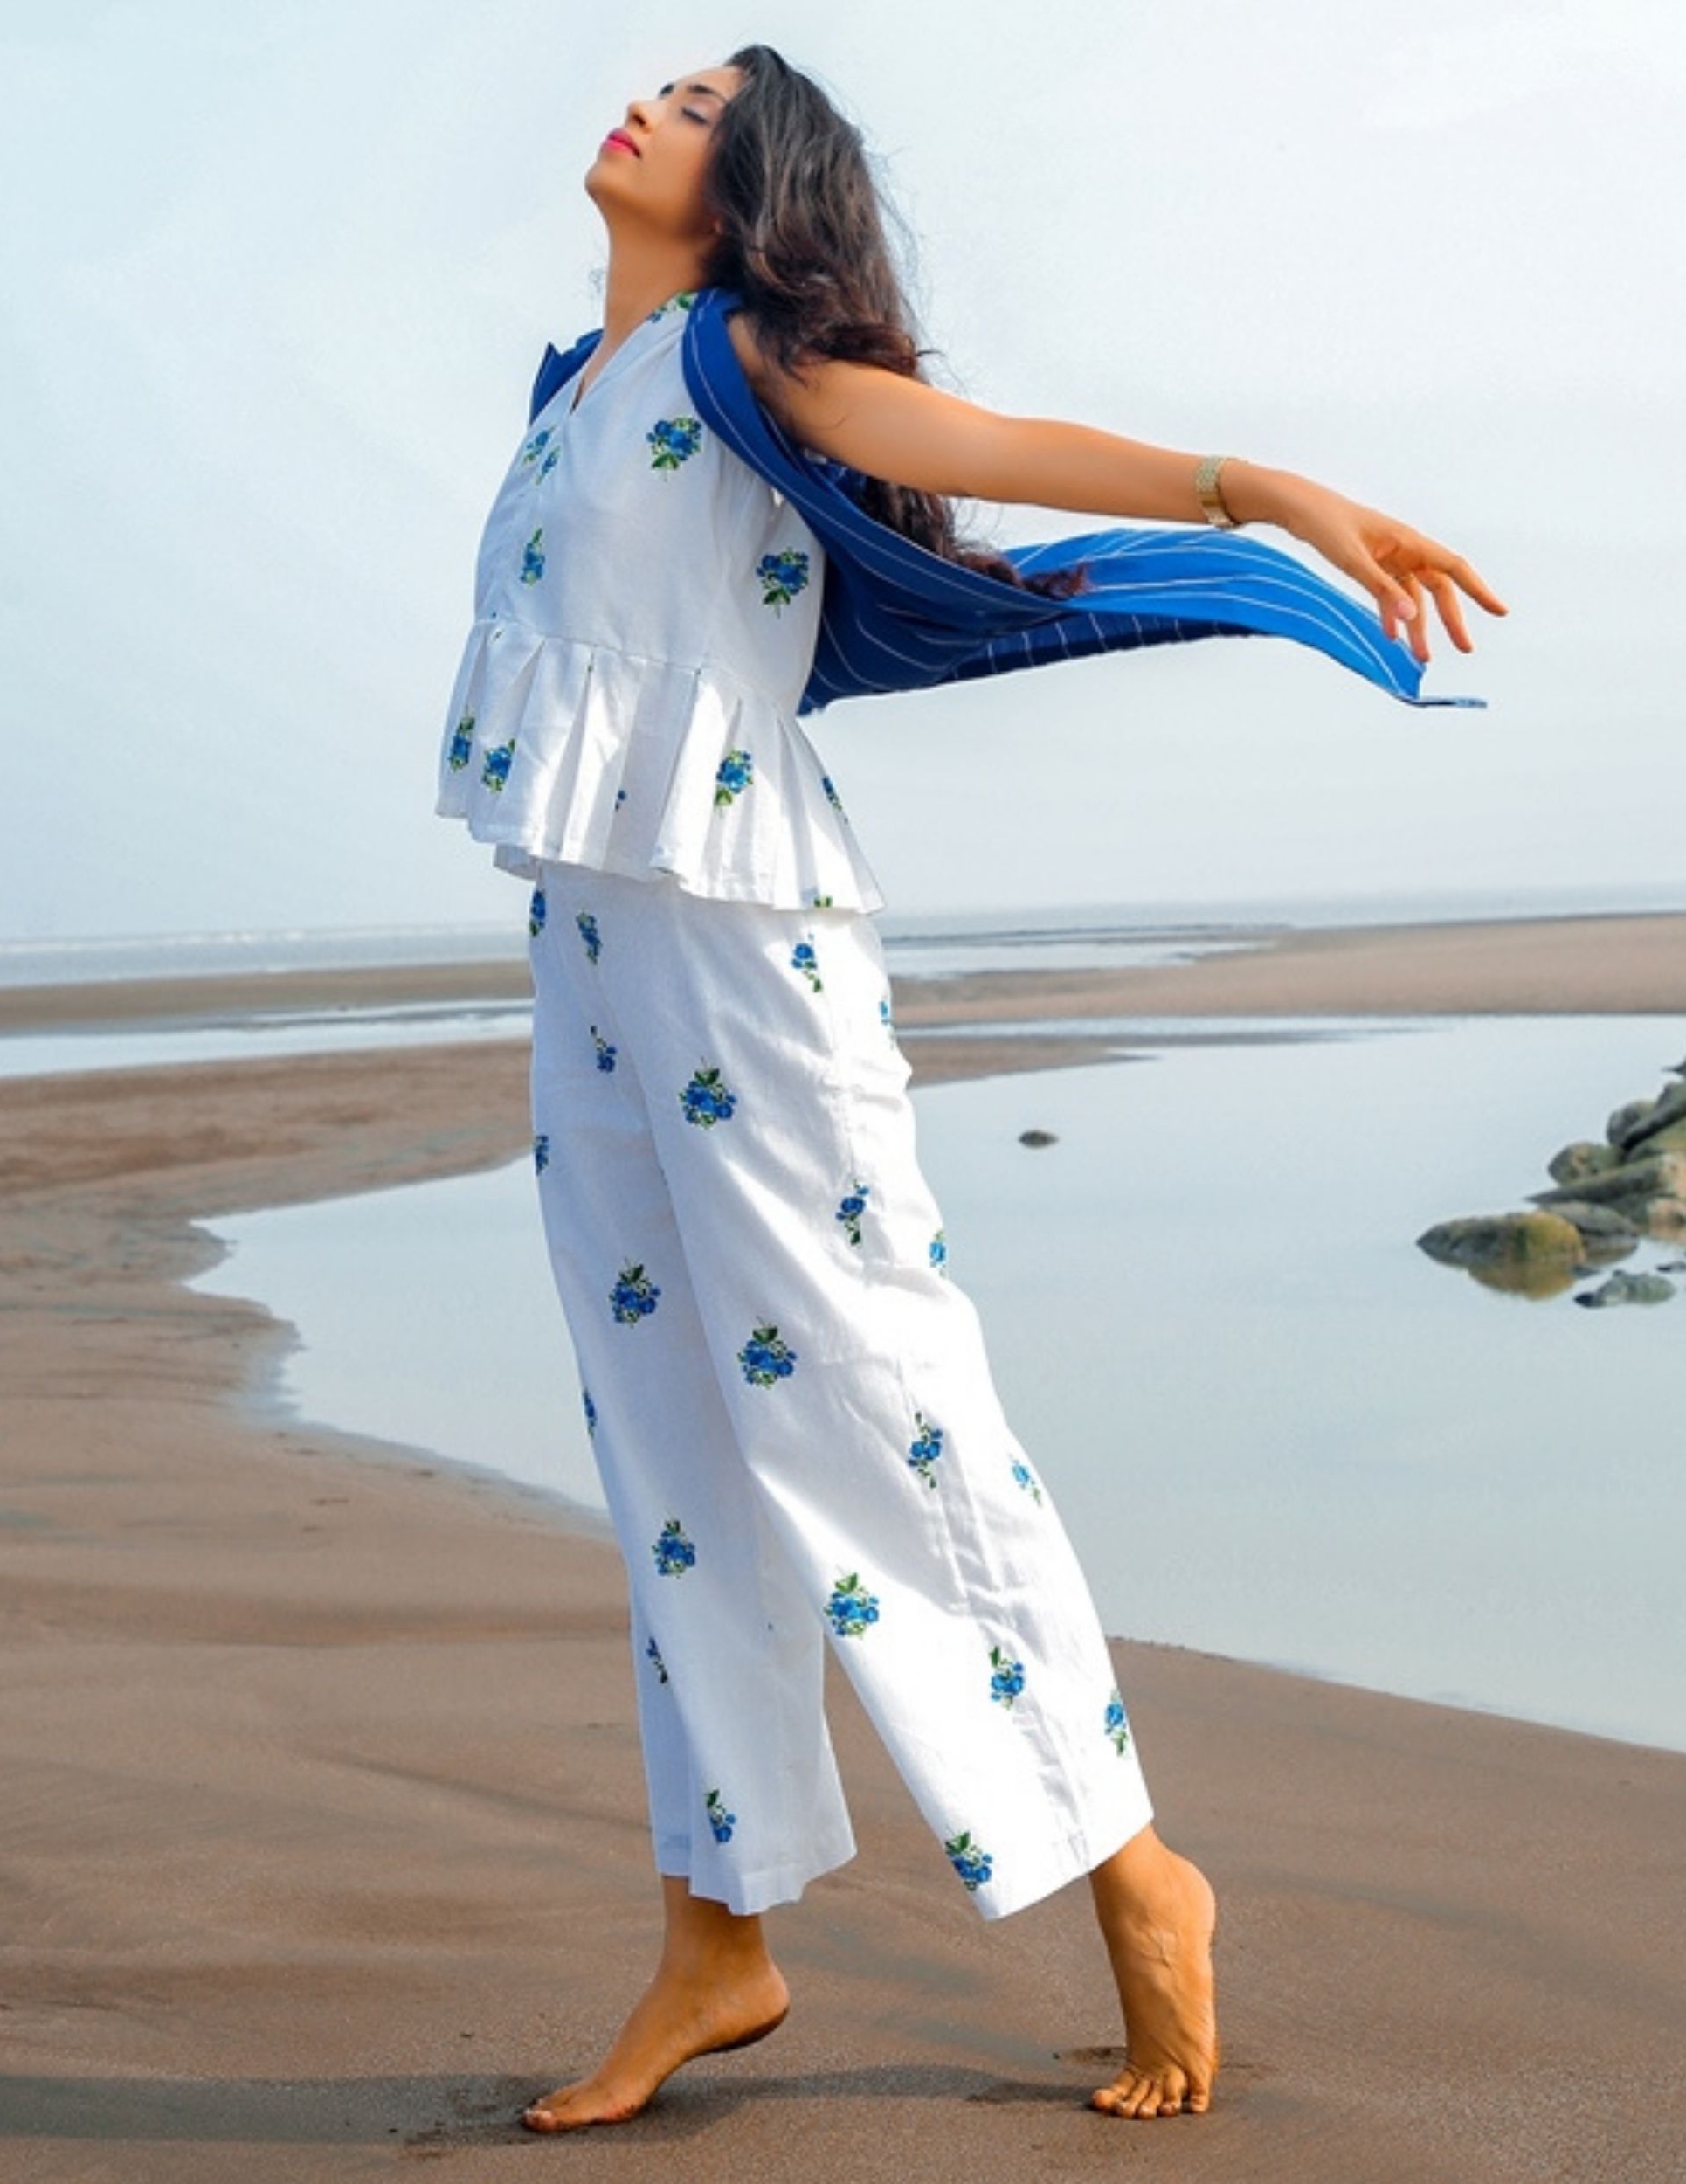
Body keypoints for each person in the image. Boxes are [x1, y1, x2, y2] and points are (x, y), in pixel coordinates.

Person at [432, 45, 1507, 2136]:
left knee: (880, 1406)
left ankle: (1128, 1864)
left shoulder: (748, 351)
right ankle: (715, 1930)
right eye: (649, 80)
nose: (641, 105)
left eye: (691, 98)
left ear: (749, 181)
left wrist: (1257, 488)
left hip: (748, 939)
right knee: (670, 1434)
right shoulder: (579, 379)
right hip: (587, 932)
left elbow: (982, 439)